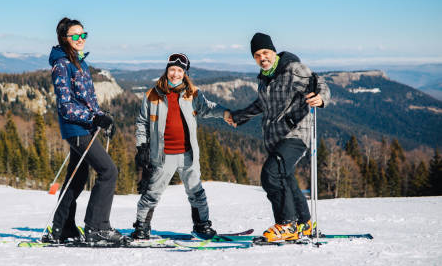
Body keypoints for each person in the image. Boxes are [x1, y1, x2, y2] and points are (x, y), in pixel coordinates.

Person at [229, 32, 330, 242]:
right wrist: (239, 117)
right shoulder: (265, 78)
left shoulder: (293, 69)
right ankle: (304, 223)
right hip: (275, 138)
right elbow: (262, 105)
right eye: (257, 55)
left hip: (296, 134)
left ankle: (286, 224)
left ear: (274, 51)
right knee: (286, 178)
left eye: (265, 52)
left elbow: (318, 84)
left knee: (271, 174)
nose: (262, 57)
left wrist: (321, 98)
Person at [132, 53, 234, 239]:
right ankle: (141, 227)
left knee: (196, 192)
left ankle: (202, 225)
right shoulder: (152, 94)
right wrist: (142, 147)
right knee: (152, 192)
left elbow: (208, 108)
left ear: (184, 73)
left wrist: (226, 113)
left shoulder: (192, 93)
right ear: (167, 70)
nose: (175, 74)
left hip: (188, 154)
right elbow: (141, 122)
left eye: (180, 70)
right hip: (162, 155)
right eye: (172, 69)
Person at [45, 17, 123, 245]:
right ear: (64, 38)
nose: (80, 40)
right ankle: (97, 228)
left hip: (84, 127)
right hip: (76, 128)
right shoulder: (62, 65)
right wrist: (92, 117)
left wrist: (101, 117)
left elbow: (86, 100)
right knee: (109, 171)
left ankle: (63, 228)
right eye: (75, 36)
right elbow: (65, 105)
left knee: (76, 179)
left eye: (83, 35)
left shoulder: (79, 62)